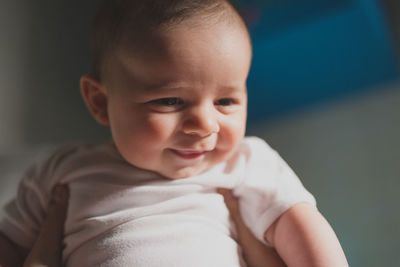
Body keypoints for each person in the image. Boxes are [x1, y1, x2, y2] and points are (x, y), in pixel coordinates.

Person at [0, 0, 349, 266]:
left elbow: (297, 220)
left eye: (225, 100)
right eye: (170, 100)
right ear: (101, 102)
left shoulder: (246, 161)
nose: (205, 125)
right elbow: (12, 243)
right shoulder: (63, 169)